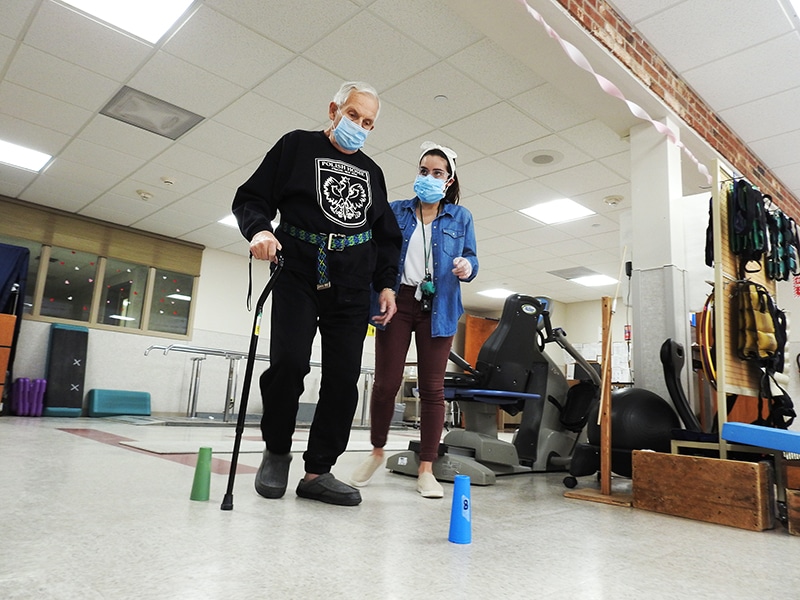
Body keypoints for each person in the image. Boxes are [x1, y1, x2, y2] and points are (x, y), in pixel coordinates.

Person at [231, 81, 402, 507]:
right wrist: (260, 230)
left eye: (368, 122)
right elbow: (251, 197)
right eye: (353, 115)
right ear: (333, 109)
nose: (359, 126)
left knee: (343, 379)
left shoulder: (372, 172)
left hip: (351, 282)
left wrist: (386, 284)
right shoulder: (295, 147)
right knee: (289, 364)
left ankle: (317, 471)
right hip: (298, 269)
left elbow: (386, 237)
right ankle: (276, 451)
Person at [350, 141, 478, 498]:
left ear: (449, 180)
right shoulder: (395, 211)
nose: (429, 178)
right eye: (424, 171)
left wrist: (467, 267)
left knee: (433, 389)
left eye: (437, 173)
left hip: (440, 305)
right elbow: (379, 255)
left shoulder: (461, 217)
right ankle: (377, 452)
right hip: (397, 300)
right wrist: (381, 289)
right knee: (386, 383)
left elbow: (472, 258)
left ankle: (426, 468)